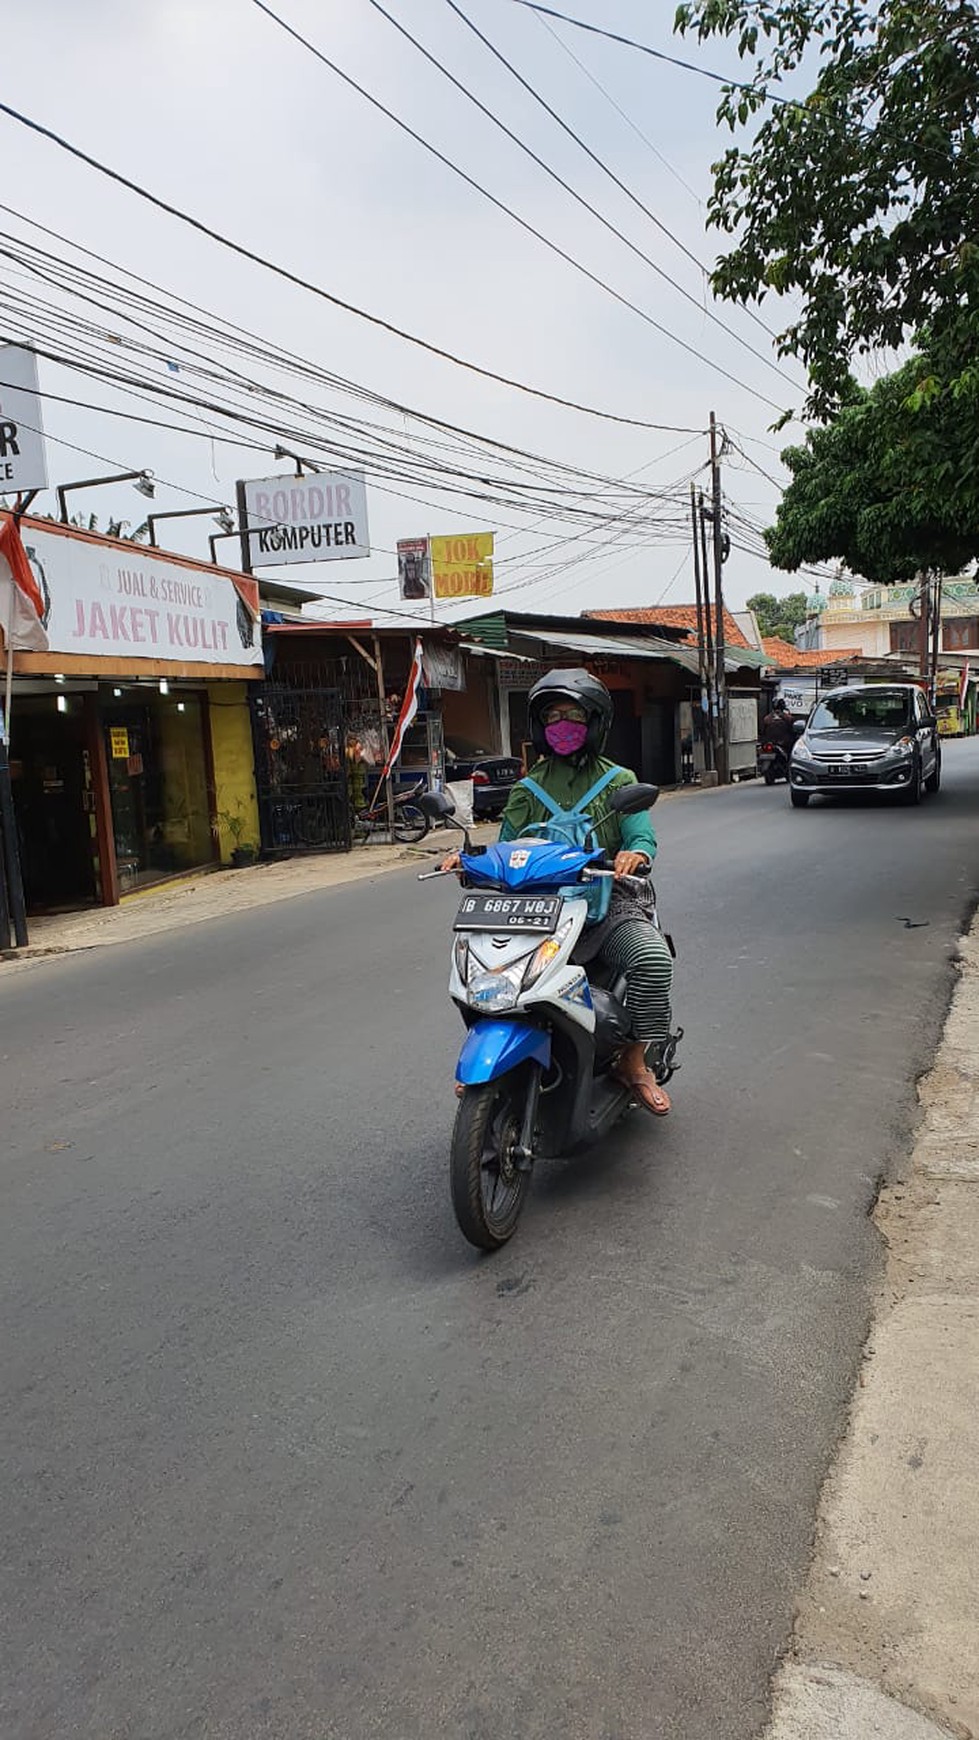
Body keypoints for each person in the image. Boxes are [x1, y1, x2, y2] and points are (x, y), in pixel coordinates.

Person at [442, 669, 674, 1115]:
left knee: (651, 959)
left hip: (606, 903)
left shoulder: (619, 780)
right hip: (533, 907)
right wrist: (469, 861)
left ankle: (634, 1060)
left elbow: (641, 837)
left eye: (574, 716)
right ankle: (489, 1054)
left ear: (596, 723)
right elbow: (507, 846)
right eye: (553, 717)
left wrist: (634, 856)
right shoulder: (527, 789)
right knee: (481, 969)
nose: (562, 725)